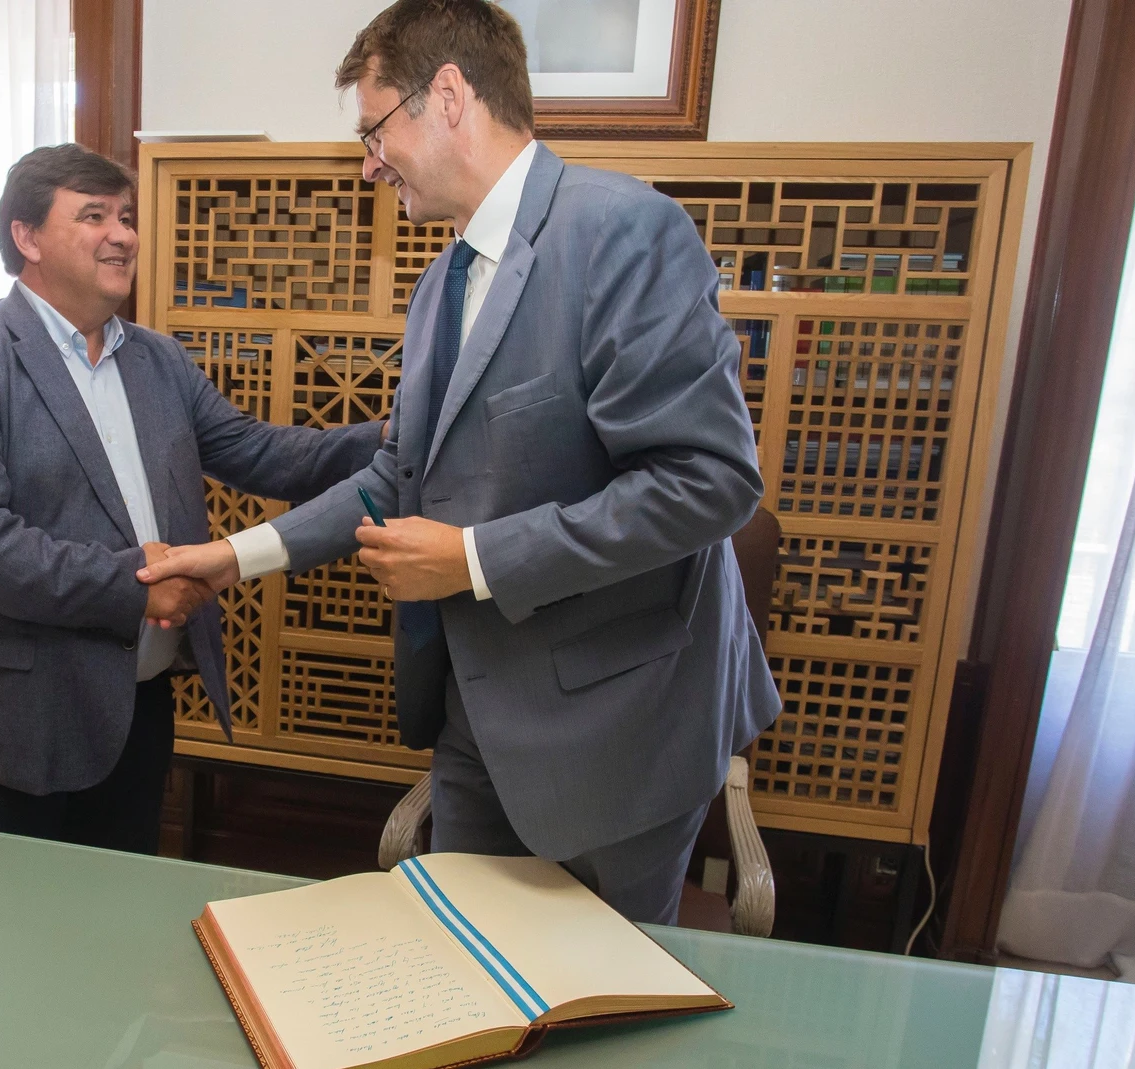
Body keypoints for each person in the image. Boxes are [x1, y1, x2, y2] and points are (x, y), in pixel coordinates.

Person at [139, 0, 779, 924]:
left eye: (372, 130)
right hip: (476, 718)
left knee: (608, 1009)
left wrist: (474, 560)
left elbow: (708, 483)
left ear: (446, 97)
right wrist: (232, 558)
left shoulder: (624, 233)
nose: (367, 163)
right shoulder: (442, 281)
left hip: (621, 724)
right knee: (467, 978)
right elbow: (392, 477)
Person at [0, 144, 383, 851]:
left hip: (135, 706)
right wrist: (134, 586)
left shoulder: (157, 358)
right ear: (26, 237)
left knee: (116, 931)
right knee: (14, 943)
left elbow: (263, 453)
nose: (122, 233)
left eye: (125, 216)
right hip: (10, 721)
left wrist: (401, 432)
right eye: (94, 216)